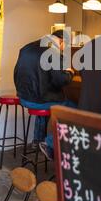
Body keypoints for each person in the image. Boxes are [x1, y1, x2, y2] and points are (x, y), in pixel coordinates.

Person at [14, 30, 76, 160]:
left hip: (24, 97)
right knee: (74, 109)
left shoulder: (27, 48)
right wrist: (70, 72)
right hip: (38, 100)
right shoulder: (53, 52)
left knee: (45, 101)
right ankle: (49, 143)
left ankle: (37, 141)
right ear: (61, 41)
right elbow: (61, 80)